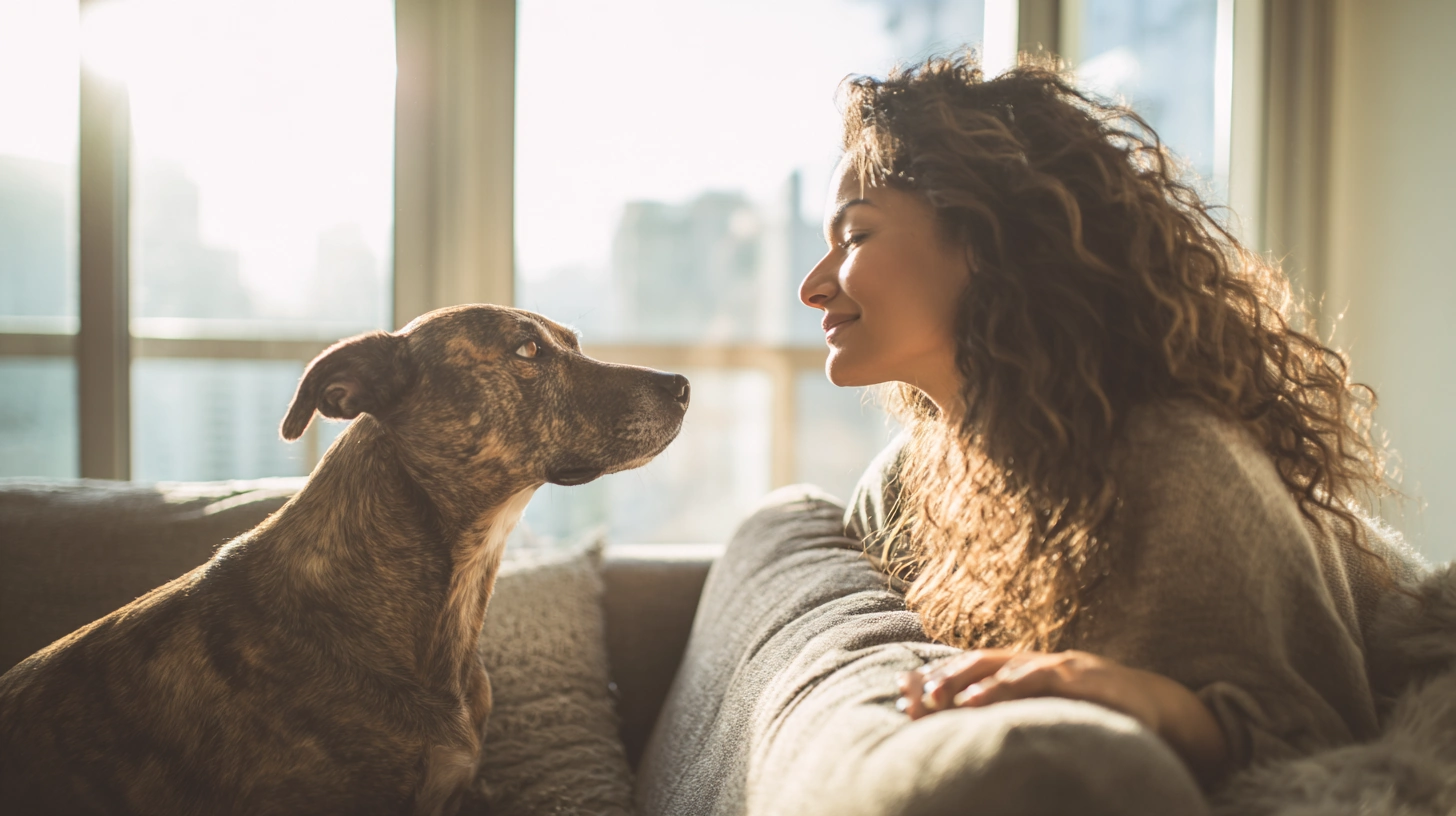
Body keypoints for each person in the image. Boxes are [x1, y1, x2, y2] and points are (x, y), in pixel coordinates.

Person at [796, 54, 1425, 789]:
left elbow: (1322, 754)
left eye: (856, 236)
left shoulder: (1172, 464)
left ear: (991, 241)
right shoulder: (905, 484)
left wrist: (1145, 702)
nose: (814, 287)